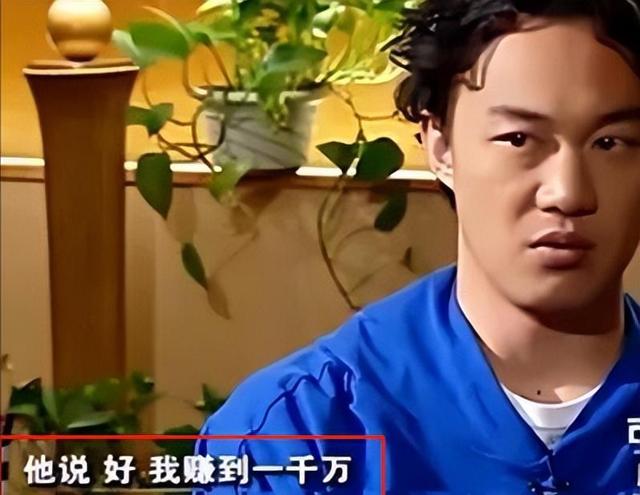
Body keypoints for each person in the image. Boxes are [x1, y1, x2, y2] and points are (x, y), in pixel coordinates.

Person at [193, 0, 640, 493]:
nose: (568, 193)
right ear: (440, 146)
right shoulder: (297, 433)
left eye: (610, 143)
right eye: (518, 139)